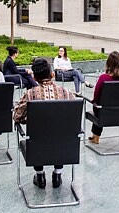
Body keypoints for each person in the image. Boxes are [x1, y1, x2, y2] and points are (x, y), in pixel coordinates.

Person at [13, 59, 75, 189]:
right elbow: (72, 119)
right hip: (64, 145)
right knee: (59, 134)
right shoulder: (67, 93)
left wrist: (29, 119)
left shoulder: (30, 94)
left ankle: (40, 175)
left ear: (34, 77)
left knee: (39, 137)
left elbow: (17, 116)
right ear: (52, 75)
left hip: (37, 146)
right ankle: (57, 174)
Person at [88, 51, 119, 144]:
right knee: (102, 106)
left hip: (104, 112)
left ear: (108, 64)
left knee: (99, 106)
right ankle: (94, 136)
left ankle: (96, 136)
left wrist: (92, 101)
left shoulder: (103, 78)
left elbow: (96, 95)